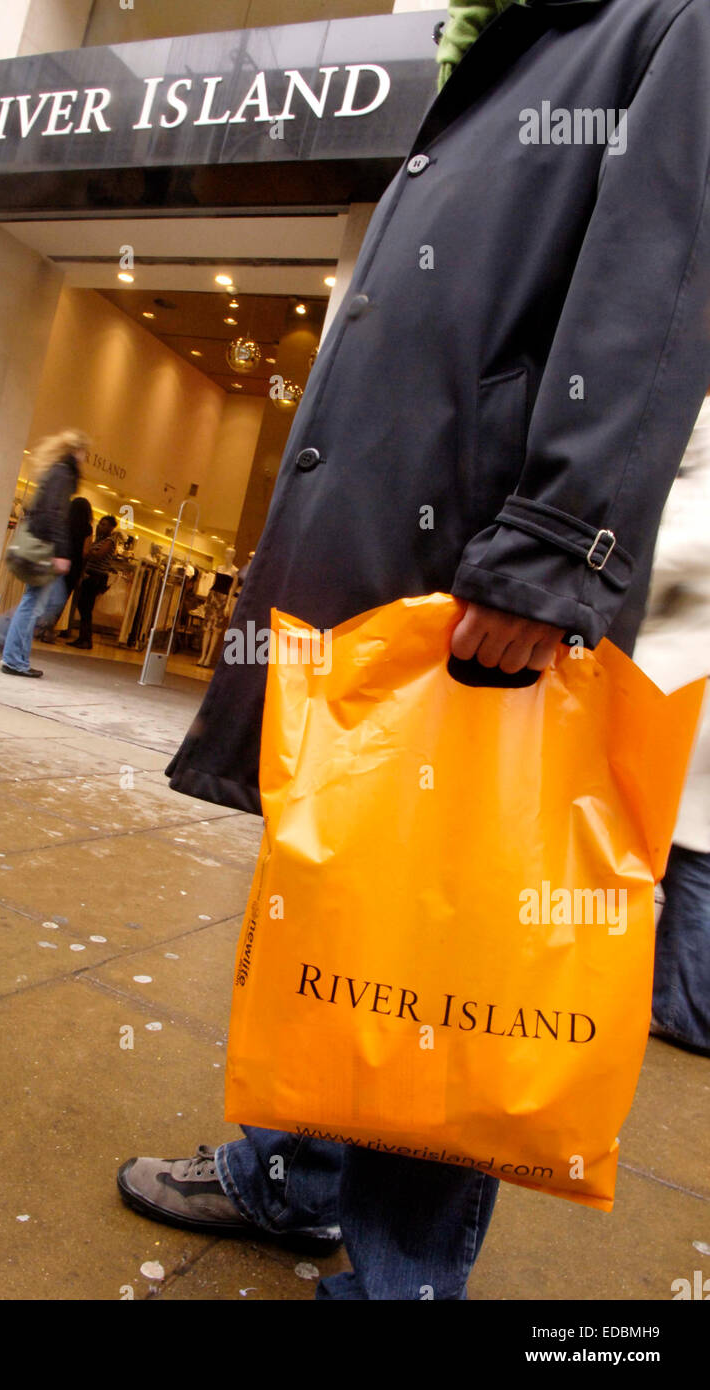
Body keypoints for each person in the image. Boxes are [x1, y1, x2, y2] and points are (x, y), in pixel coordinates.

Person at [119, 0, 710, 1299]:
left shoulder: (658, 21)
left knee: (458, 930)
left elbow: (655, 284)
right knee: (344, 881)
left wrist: (555, 542)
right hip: (386, 538)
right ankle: (290, 1170)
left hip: (473, 562)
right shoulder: (521, 42)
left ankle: (394, 1279)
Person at [633, 389, 710, 1056]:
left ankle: (684, 1004)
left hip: (677, 685)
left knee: (636, 840)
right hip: (692, 690)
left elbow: (677, 546)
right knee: (698, 855)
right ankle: (689, 1000)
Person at [0, 430, 89, 677]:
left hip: (39, 544)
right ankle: (12, 654)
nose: (84, 458)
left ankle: (16, 656)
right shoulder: (63, 474)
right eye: (84, 453)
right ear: (76, 451)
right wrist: (61, 551)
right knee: (41, 602)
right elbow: (55, 515)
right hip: (44, 548)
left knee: (38, 601)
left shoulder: (55, 471)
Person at [38, 496, 94, 643]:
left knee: (48, 595)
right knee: (60, 600)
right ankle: (48, 630)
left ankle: (38, 627)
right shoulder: (87, 528)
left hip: (57, 562)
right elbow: (85, 551)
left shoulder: (63, 522)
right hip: (73, 568)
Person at [67, 514, 117, 650]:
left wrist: (87, 551)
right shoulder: (99, 539)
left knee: (86, 608)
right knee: (83, 607)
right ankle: (83, 638)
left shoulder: (110, 541)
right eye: (101, 523)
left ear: (111, 527)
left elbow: (98, 555)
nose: (101, 526)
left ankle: (86, 639)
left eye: (104, 524)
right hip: (89, 576)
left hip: (96, 577)